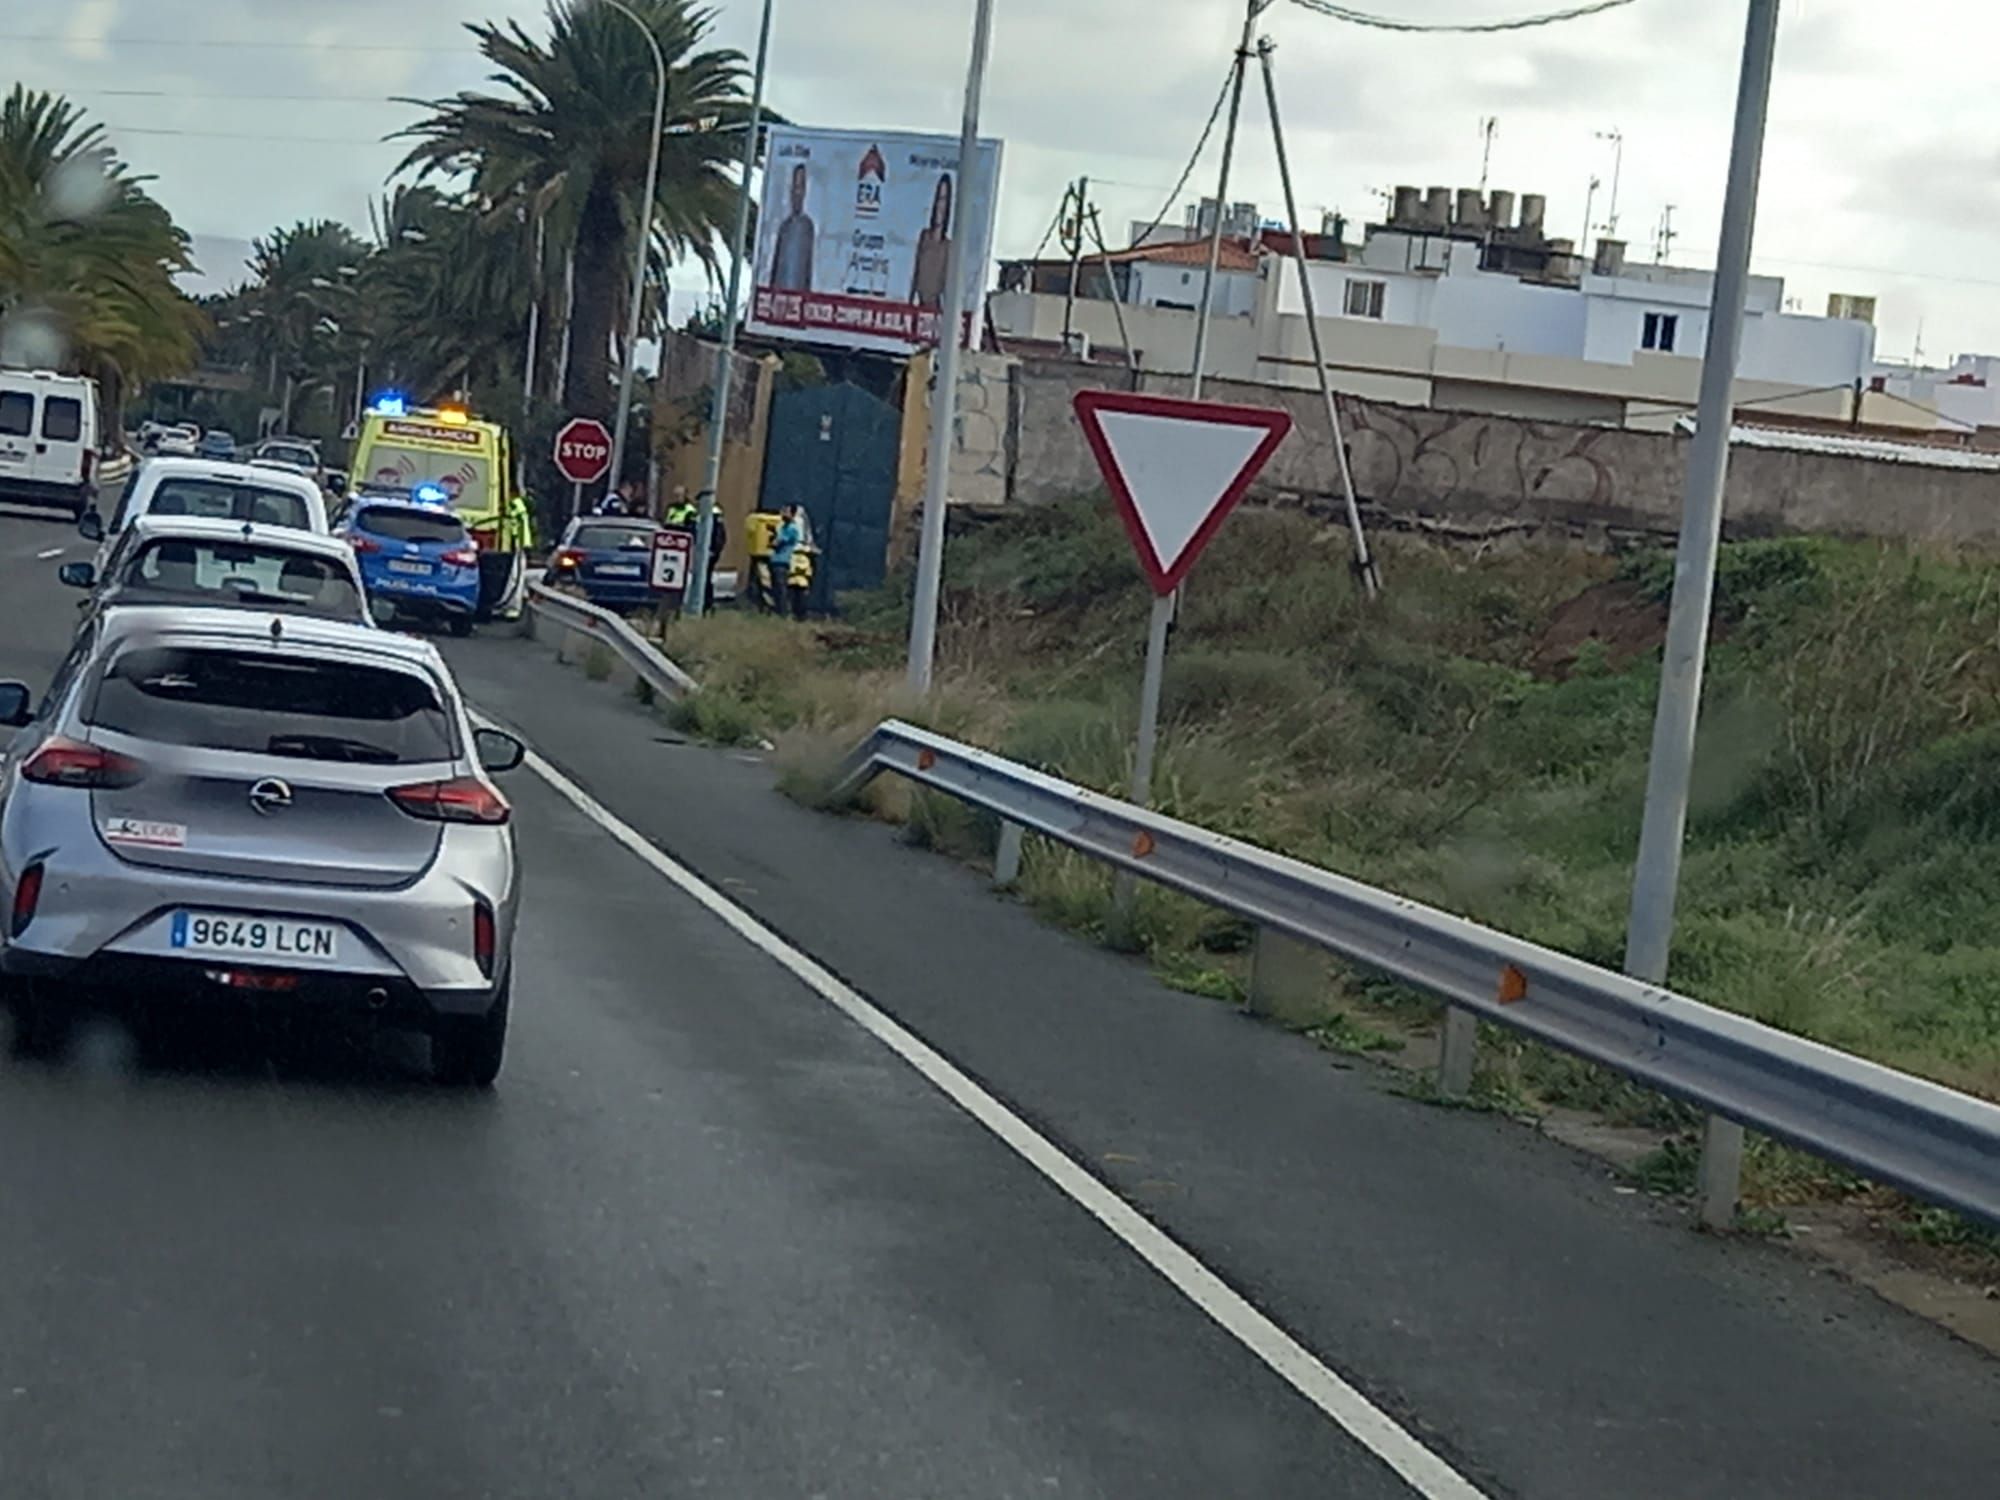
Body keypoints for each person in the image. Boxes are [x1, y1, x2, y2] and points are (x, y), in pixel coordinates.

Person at [910, 172, 954, 311]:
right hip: (918, 303)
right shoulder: (924, 237)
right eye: (939, 199)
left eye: (945, 200)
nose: (941, 206)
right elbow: (915, 271)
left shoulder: (948, 246)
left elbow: (947, 284)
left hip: (934, 306)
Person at [770, 164, 816, 292]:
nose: (797, 193)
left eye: (800, 188)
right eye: (795, 188)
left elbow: (808, 270)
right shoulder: (784, 226)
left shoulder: (807, 227)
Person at [769, 503, 806, 619]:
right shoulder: (783, 527)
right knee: (775, 588)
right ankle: (778, 610)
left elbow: (778, 542)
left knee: (781, 588)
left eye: (786, 512)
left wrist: (774, 539)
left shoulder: (792, 529)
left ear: (792, 514)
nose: (783, 514)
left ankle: (783, 613)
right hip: (775, 560)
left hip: (783, 561)